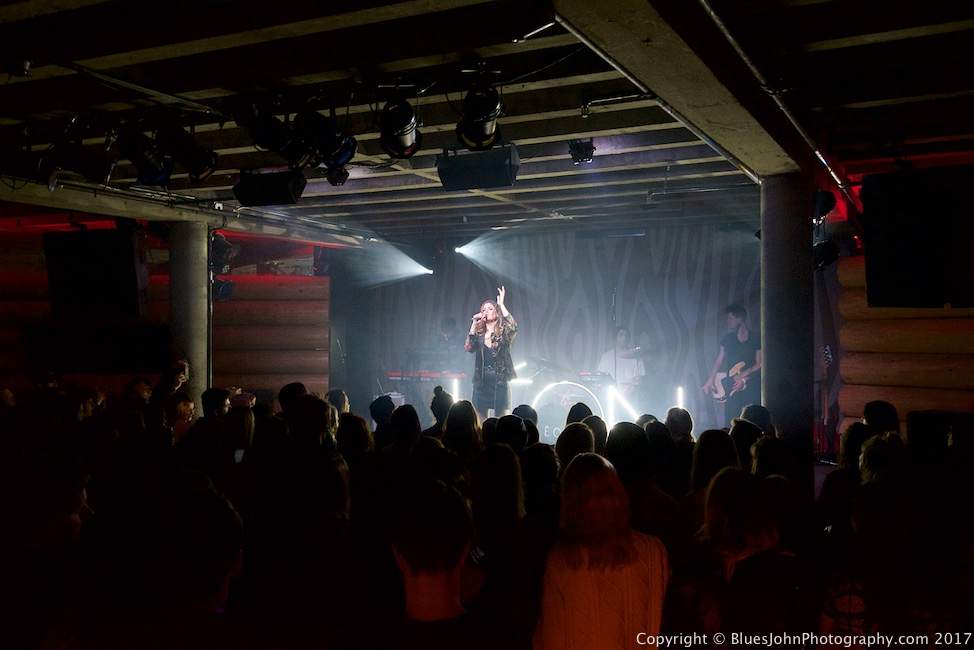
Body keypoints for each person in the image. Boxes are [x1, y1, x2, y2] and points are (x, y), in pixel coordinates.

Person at [702, 304, 762, 427]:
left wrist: (744, 380)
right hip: (731, 386)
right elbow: (719, 361)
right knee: (731, 418)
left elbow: (759, 364)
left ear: (739, 318)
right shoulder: (728, 339)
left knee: (750, 420)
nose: (727, 321)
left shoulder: (756, 338)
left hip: (751, 387)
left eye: (730, 318)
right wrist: (710, 379)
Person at [465, 286, 518, 421]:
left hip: (499, 382)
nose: (486, 311)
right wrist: (473, 325)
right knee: (481, 424)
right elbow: (469, 347)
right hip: (481, 383)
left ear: (497, 313)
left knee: (501, 423)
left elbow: (513, 326)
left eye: (490, 309)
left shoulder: (503, 332)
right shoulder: (479, 334)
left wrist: (501, 304)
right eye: (483, 309)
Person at [597, 325, 646, 402]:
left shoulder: (637, 358)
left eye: (626, 335)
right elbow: (601, 379)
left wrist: (623, 398)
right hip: (609, 397)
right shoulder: (606, 356)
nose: (624, 338)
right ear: (615, 338)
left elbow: (637, 382)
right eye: (621, 335)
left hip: (630, 398)